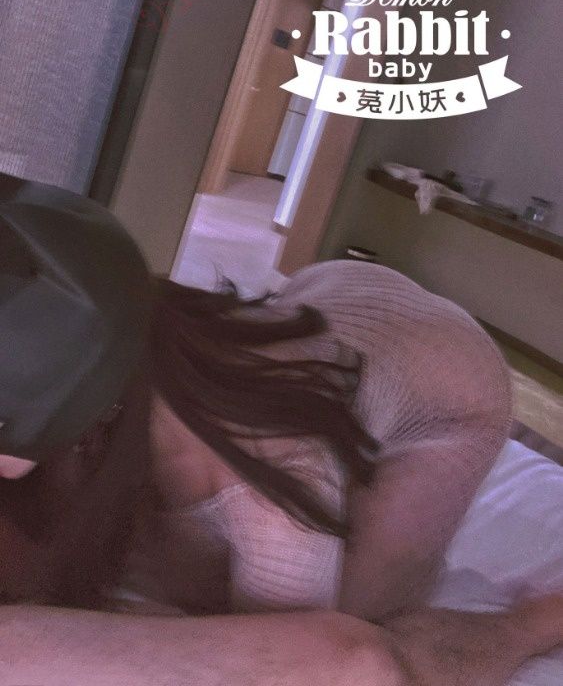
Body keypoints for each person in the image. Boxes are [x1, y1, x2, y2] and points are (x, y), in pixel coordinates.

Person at [0, 171, 561, 686]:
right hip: (337, 296)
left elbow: (345, 661)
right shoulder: (85, 330)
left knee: (354, 621)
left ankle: (535, 622)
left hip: (451, 390)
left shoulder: (276, 493)